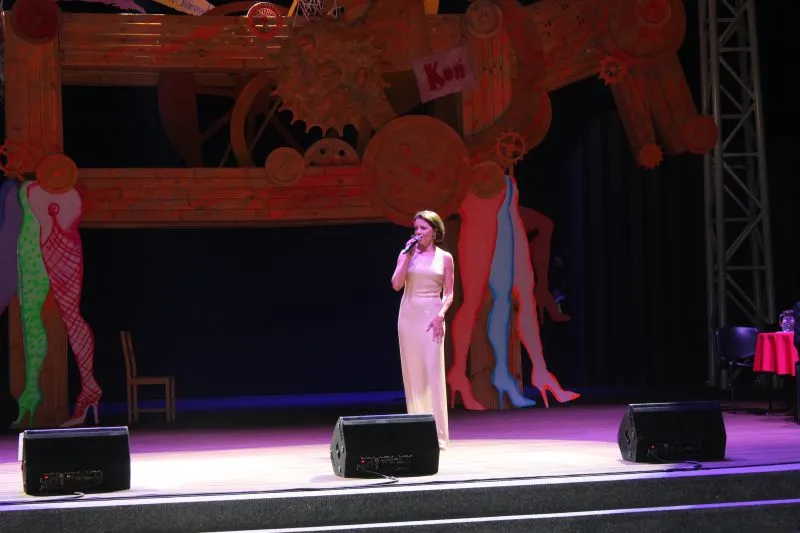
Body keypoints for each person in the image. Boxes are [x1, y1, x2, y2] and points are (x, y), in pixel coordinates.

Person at [391, 210, 454, 450]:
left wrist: (441, 315)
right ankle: (417, 432)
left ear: (435, 231)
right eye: (416, 228)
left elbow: (449, 293)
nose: (418, 232)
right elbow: (396, 284)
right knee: (413, 373)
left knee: (432, 373)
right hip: (409, 316)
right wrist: (406, 257)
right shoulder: (406, 254)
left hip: (432, 316)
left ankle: (438, 436)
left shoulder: (445, 258)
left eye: (423, 228)